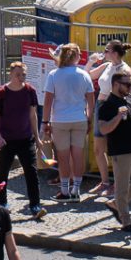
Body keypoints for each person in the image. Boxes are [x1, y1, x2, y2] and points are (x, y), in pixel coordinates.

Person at [0, 64, 43, 220]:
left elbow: (33, 115)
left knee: (31, 172)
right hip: (6, 140)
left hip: (25, 138)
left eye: (23, 74)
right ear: (10, 74)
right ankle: (2, 203)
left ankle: (35, 205)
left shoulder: (30, 91)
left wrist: (37, 137)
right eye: (18, 74)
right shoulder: (1, 93)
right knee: (3, 172)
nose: (21, 77)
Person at [97, 69, 131, 232]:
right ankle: (126, 221)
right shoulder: (108, 105)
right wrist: (118, 117)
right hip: (121, 152)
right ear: (115, 84)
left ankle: (115, 204)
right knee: (121, 188)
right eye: (126, 84)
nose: (130, 87)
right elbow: (104, 129)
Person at [40, 46, 94, 205]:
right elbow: (91, 101)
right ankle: (76, 190)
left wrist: (45, 121)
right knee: (78, 156)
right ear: (76, 57)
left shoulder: (54, 75)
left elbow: (48, 100)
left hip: (60, 120)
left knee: (63, 157)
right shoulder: (84, 75)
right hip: (80, 119)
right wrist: (89, 119)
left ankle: (64, 190)